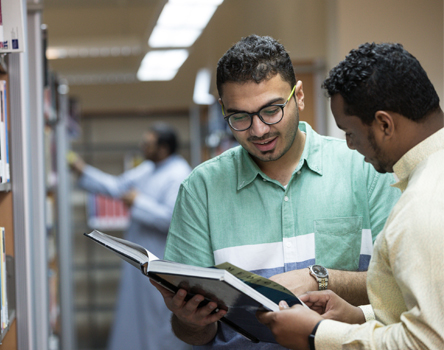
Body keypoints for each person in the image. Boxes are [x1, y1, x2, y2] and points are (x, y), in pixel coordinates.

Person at [152, 35, 400, 349]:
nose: (258, 130)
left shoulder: (365, 170)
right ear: (223, 110)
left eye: (271, 110)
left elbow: (400, 288)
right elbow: (193, 335)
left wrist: (320, 278)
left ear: (299, 96)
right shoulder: (201, 190)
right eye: (239, 117)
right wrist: (189, 320)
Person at [256, 42, 444, 350]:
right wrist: (358, 315)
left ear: (384, 124)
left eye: (350, 132)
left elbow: (428, 341)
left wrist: (318, 335)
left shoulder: (423, 205)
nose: (349, 145)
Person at [70, 122, 192, 350]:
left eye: (148, 143)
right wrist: (81, 169)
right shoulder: (148, 168)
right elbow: (117, 187)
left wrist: (138, 202)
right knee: (137, 318)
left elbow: (172, 219)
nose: (142, 146)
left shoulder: (179, 174)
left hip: (161, 260)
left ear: (164, 148)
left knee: (159, 320)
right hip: (140, 259)